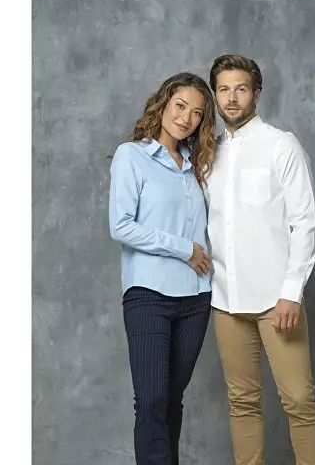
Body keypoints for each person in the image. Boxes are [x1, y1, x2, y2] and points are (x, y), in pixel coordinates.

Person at [204, 54, 315, 465]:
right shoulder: (208, 153)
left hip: (277, 301)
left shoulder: (281, 145)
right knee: (242, 401)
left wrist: (292, 292)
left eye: (241, 89)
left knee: (299, 399)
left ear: (257, 93)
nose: (231, 98)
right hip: (225, 300)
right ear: (215, 95)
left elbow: (304, 223)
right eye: (224, 89)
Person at [108, 72, 217, 465]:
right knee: (152, 399)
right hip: (149, 295)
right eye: (180, 106)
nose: (186, 118)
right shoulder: (132, 156)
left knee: (172, 399)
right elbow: (121, 226)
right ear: (164, 103)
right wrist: (183, 248)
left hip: (197, 298)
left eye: (197, 113)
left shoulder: (197, 166)